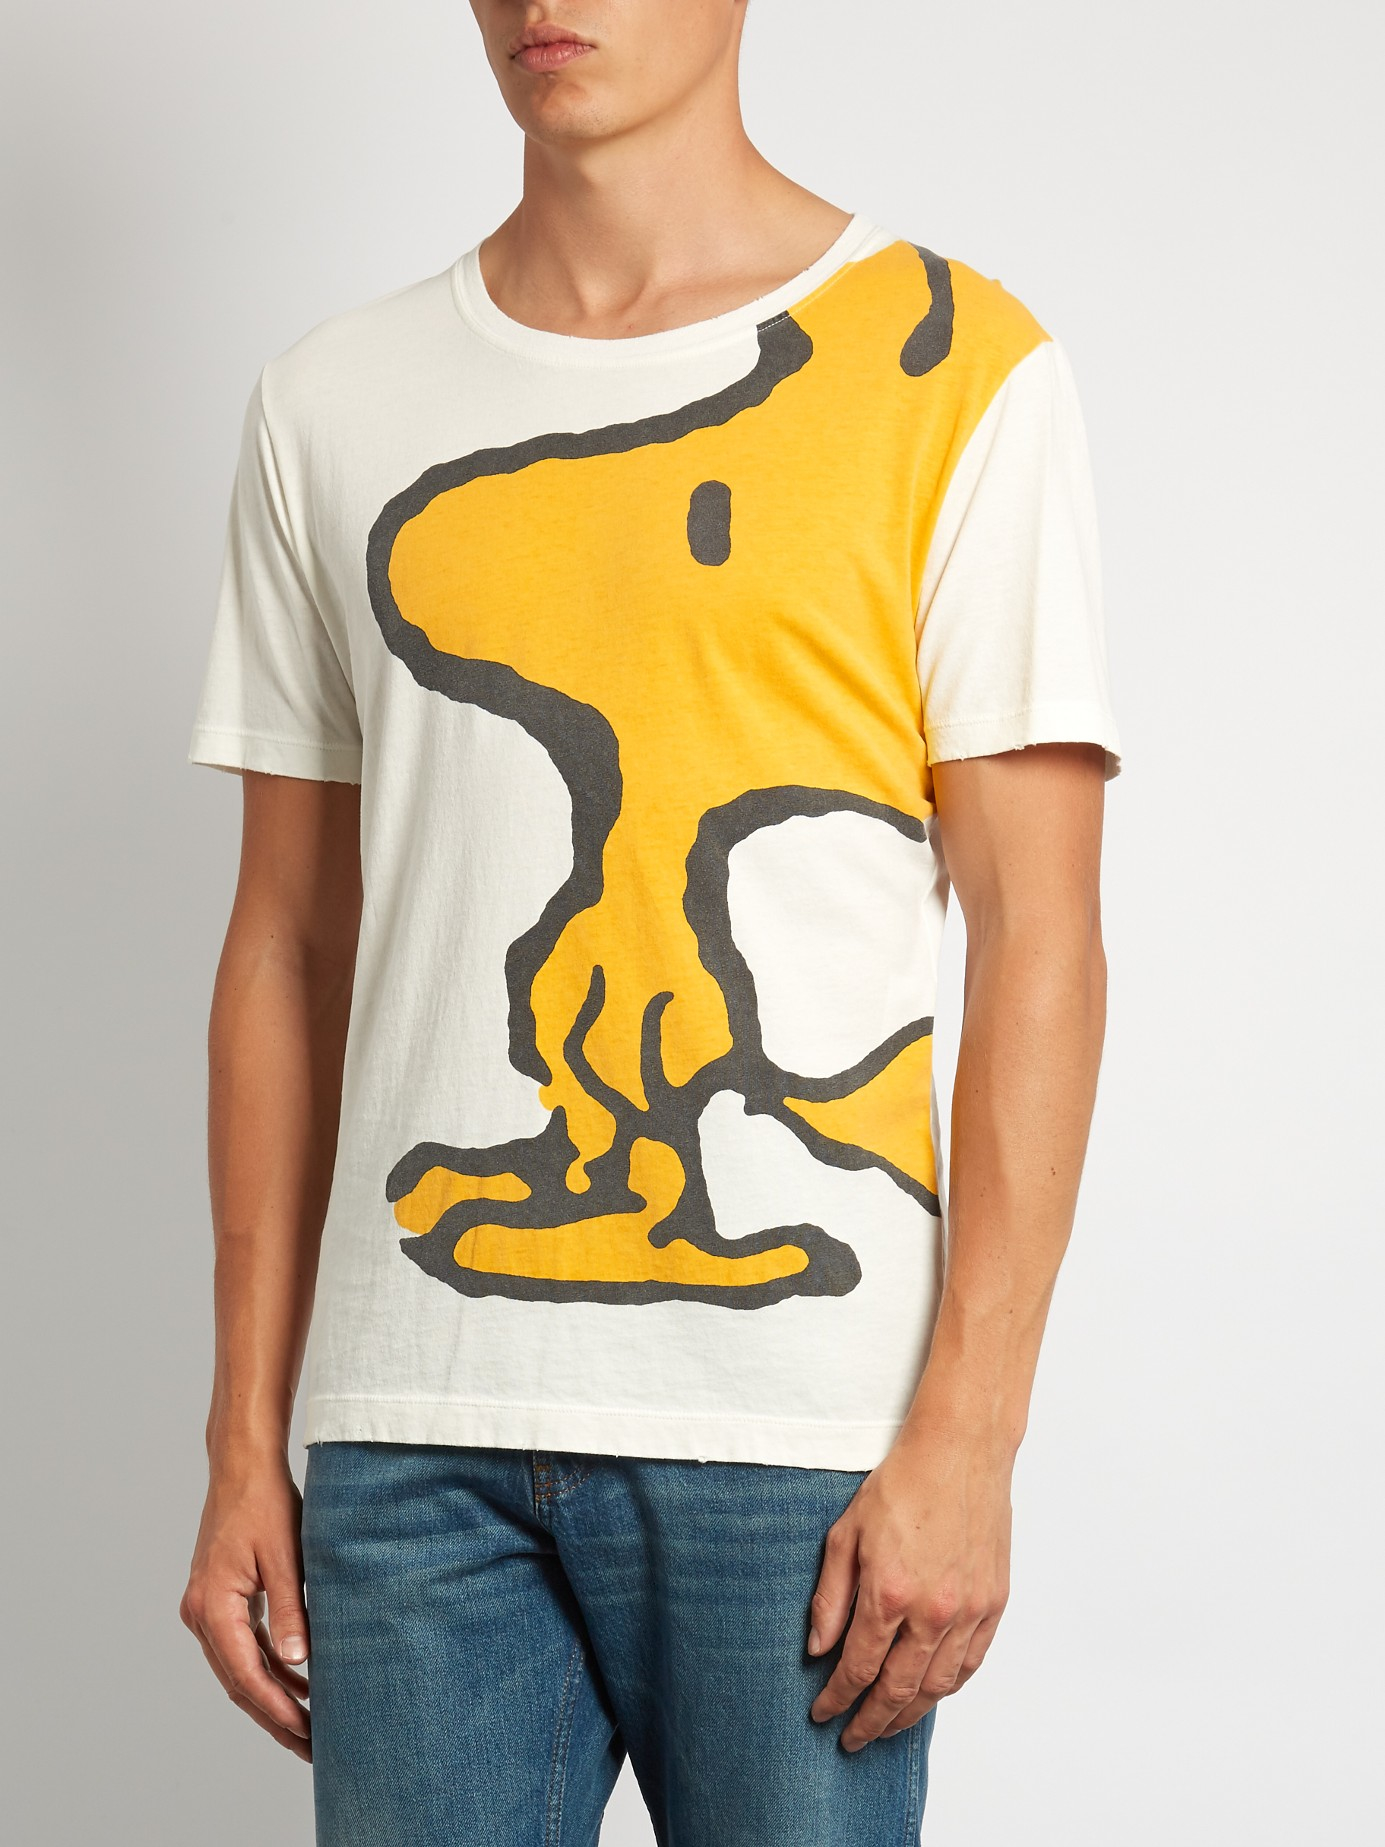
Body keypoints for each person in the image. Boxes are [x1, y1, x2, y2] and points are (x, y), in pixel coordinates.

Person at [178, 3, 1121, 1841]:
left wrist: (970, 1434)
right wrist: (242, 1439)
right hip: (409, 1445)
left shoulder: (953, 368)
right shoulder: (333, 399)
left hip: (800, 1453)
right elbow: (284, 944)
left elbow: (1041, 937)